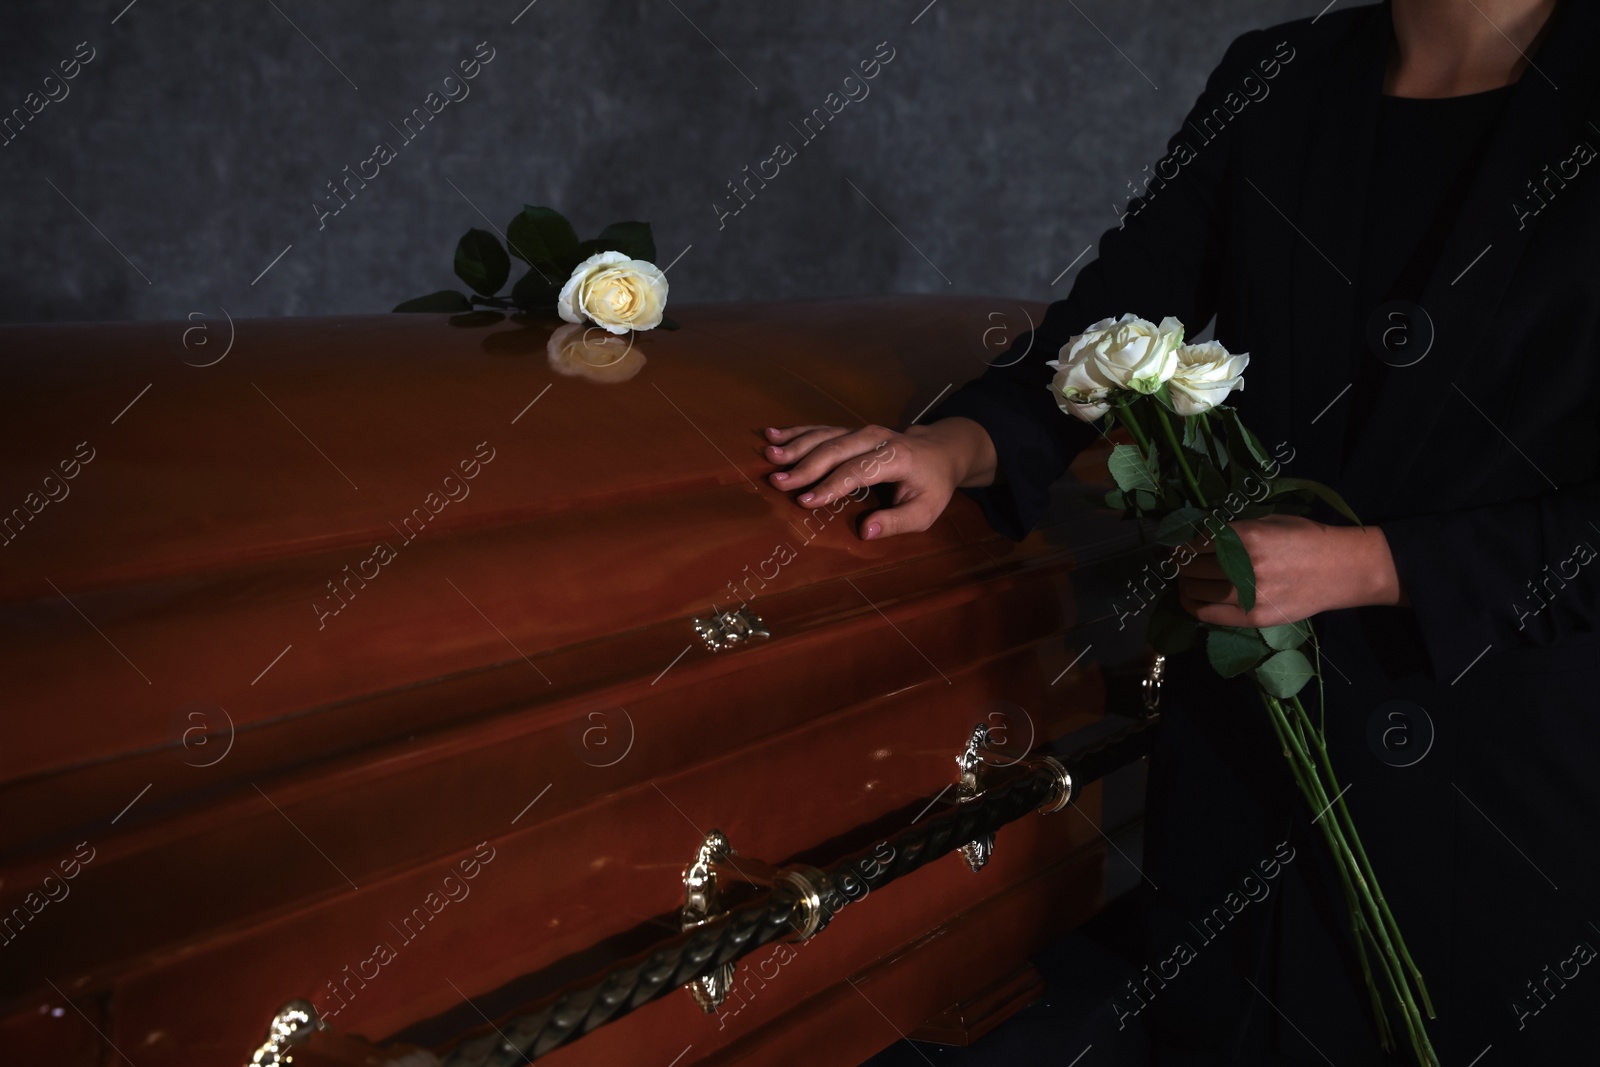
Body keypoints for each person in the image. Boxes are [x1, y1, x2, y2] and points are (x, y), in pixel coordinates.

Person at [763, 0, 1600, 1062]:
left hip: (1514, 783)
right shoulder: (1279, 72)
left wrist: (1372, 564)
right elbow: (1111, 316)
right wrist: (959, 445)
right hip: (1251, 767)